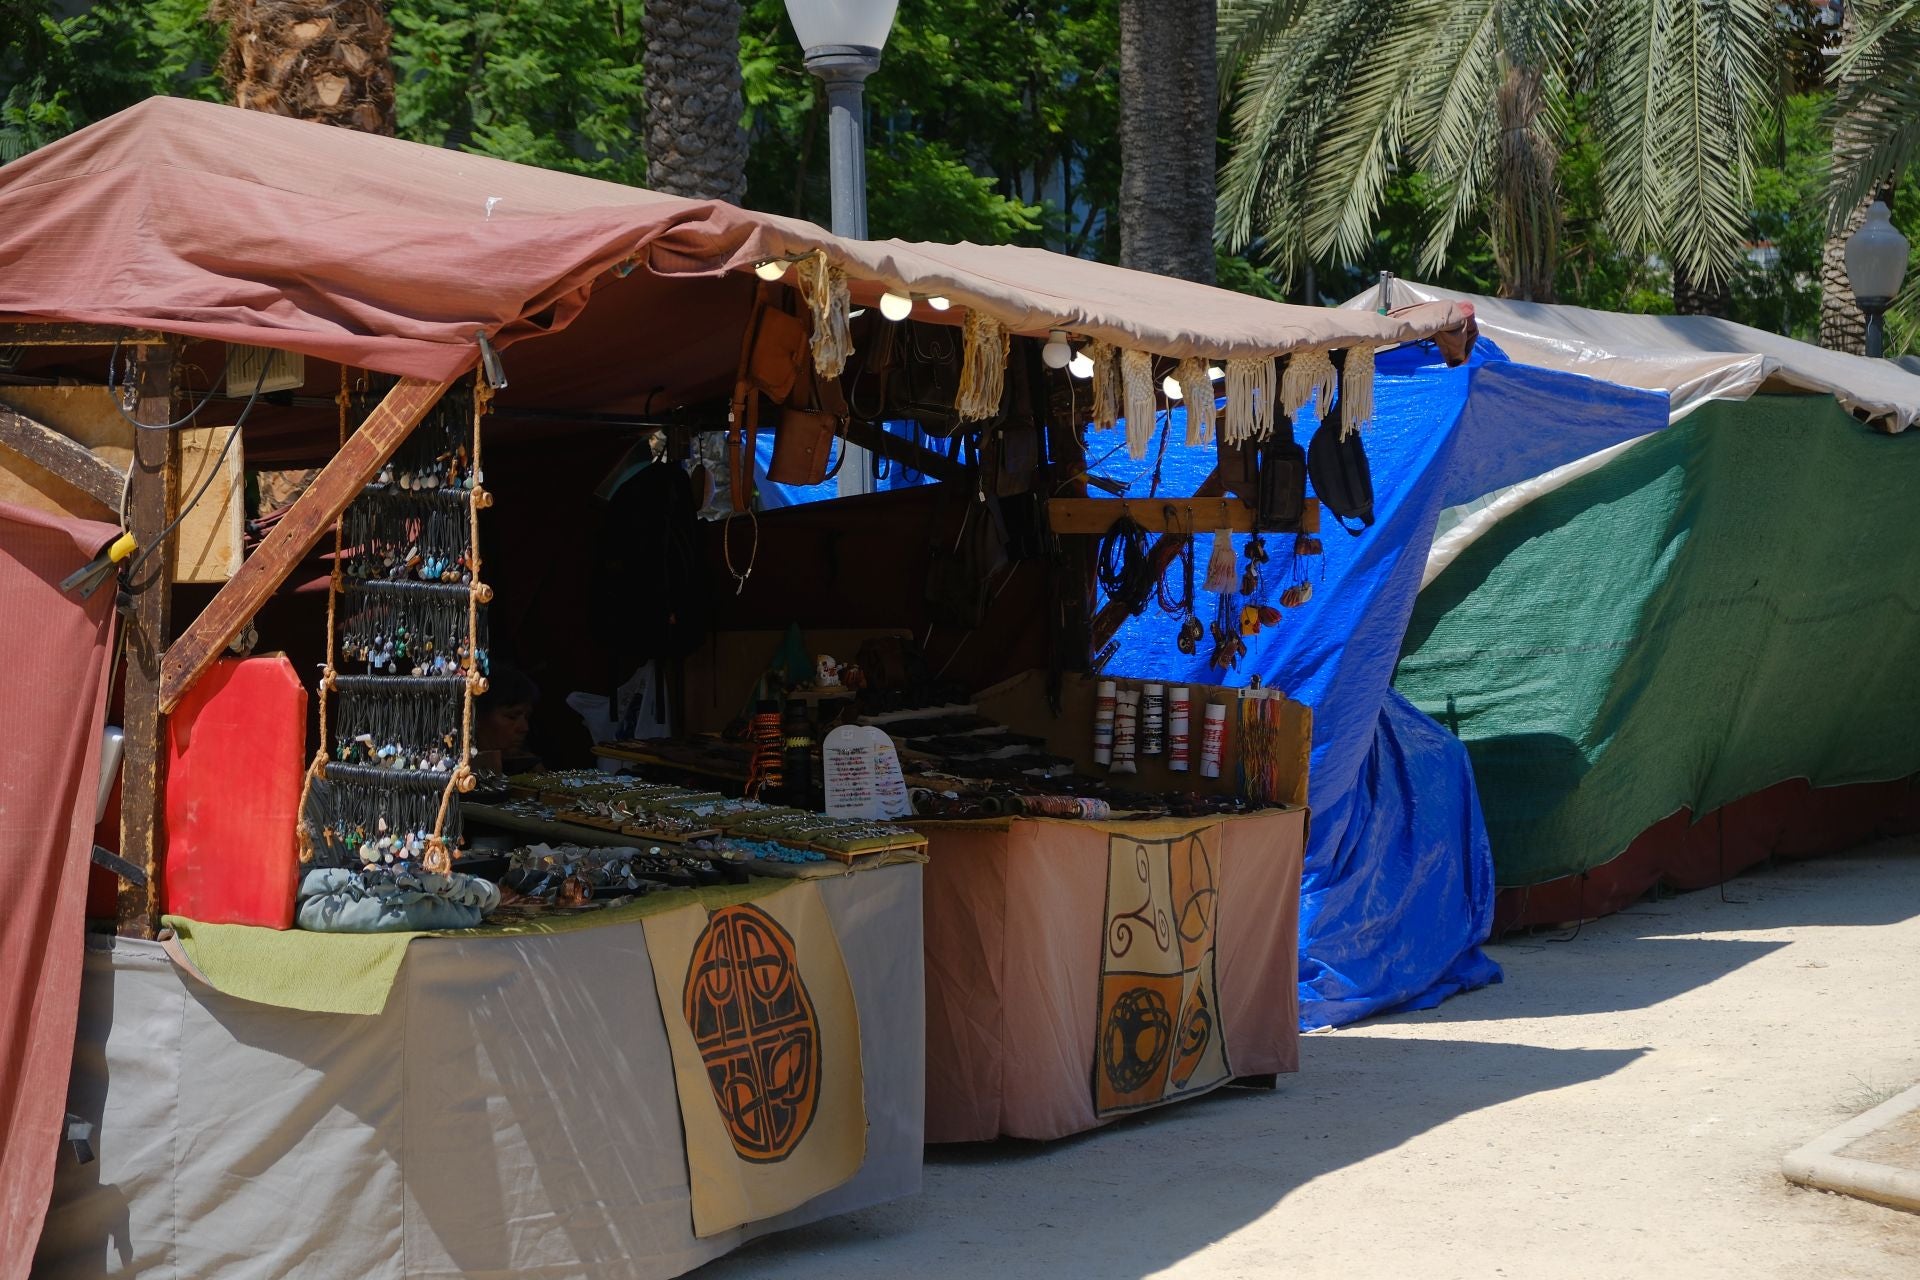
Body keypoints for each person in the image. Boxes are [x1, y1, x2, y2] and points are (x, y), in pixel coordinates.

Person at [473, 663, 541, 775]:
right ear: (477, 717)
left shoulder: (530, 768)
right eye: (512, 716)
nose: (524, 728)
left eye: (526, 717)